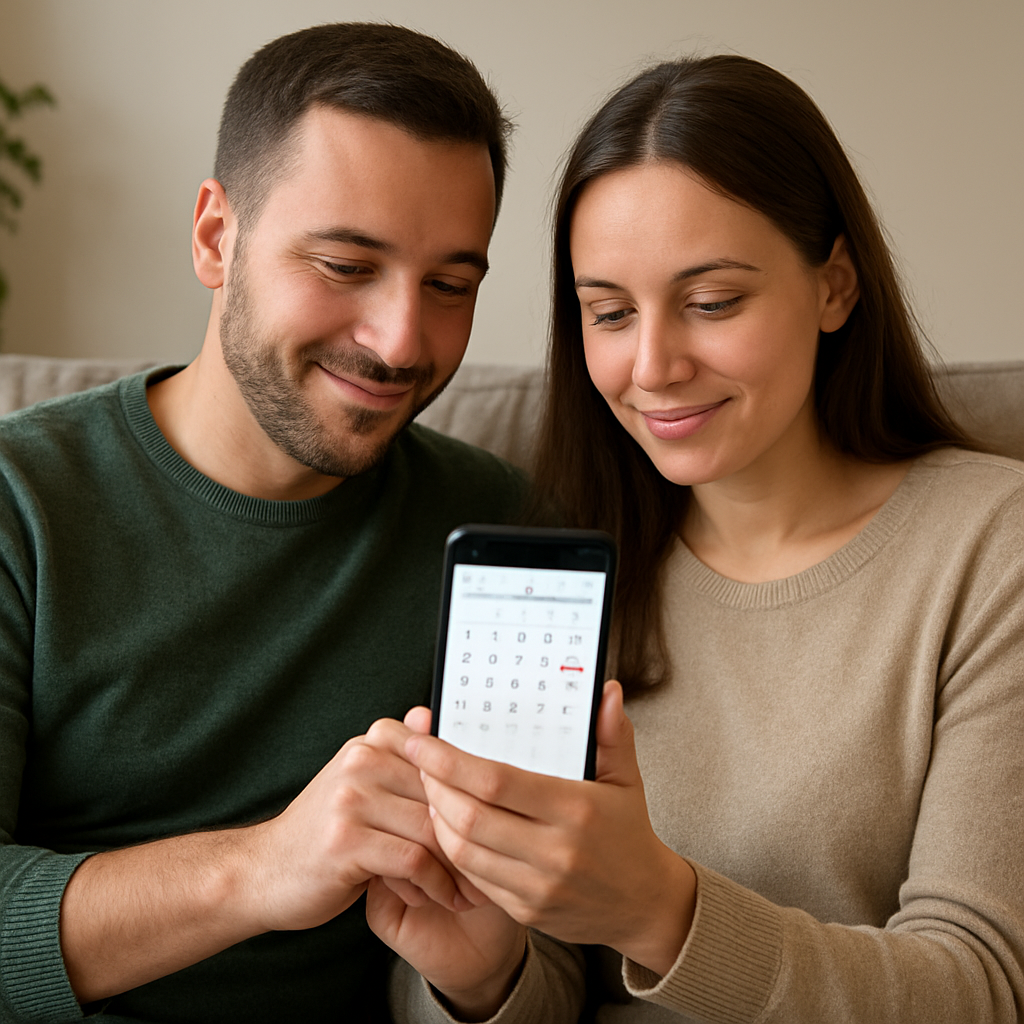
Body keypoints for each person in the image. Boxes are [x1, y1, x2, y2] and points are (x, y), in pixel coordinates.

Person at [398, 55, 1024, 1021]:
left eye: (712, 301)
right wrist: (486, 975)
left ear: (835, 287)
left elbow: (977, 991)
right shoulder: (572, 576)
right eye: (609, 313)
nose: (652, 366)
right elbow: (555, 975)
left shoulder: (990, 546)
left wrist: (662, 911)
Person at [0, 23, 583, 1024]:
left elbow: (540, 968)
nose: (402, 340)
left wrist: (483, 978)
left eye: (450, 285)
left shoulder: (496, 530)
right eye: (346, 265)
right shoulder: (23, 502)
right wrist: (265, 865)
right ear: (215, 237)